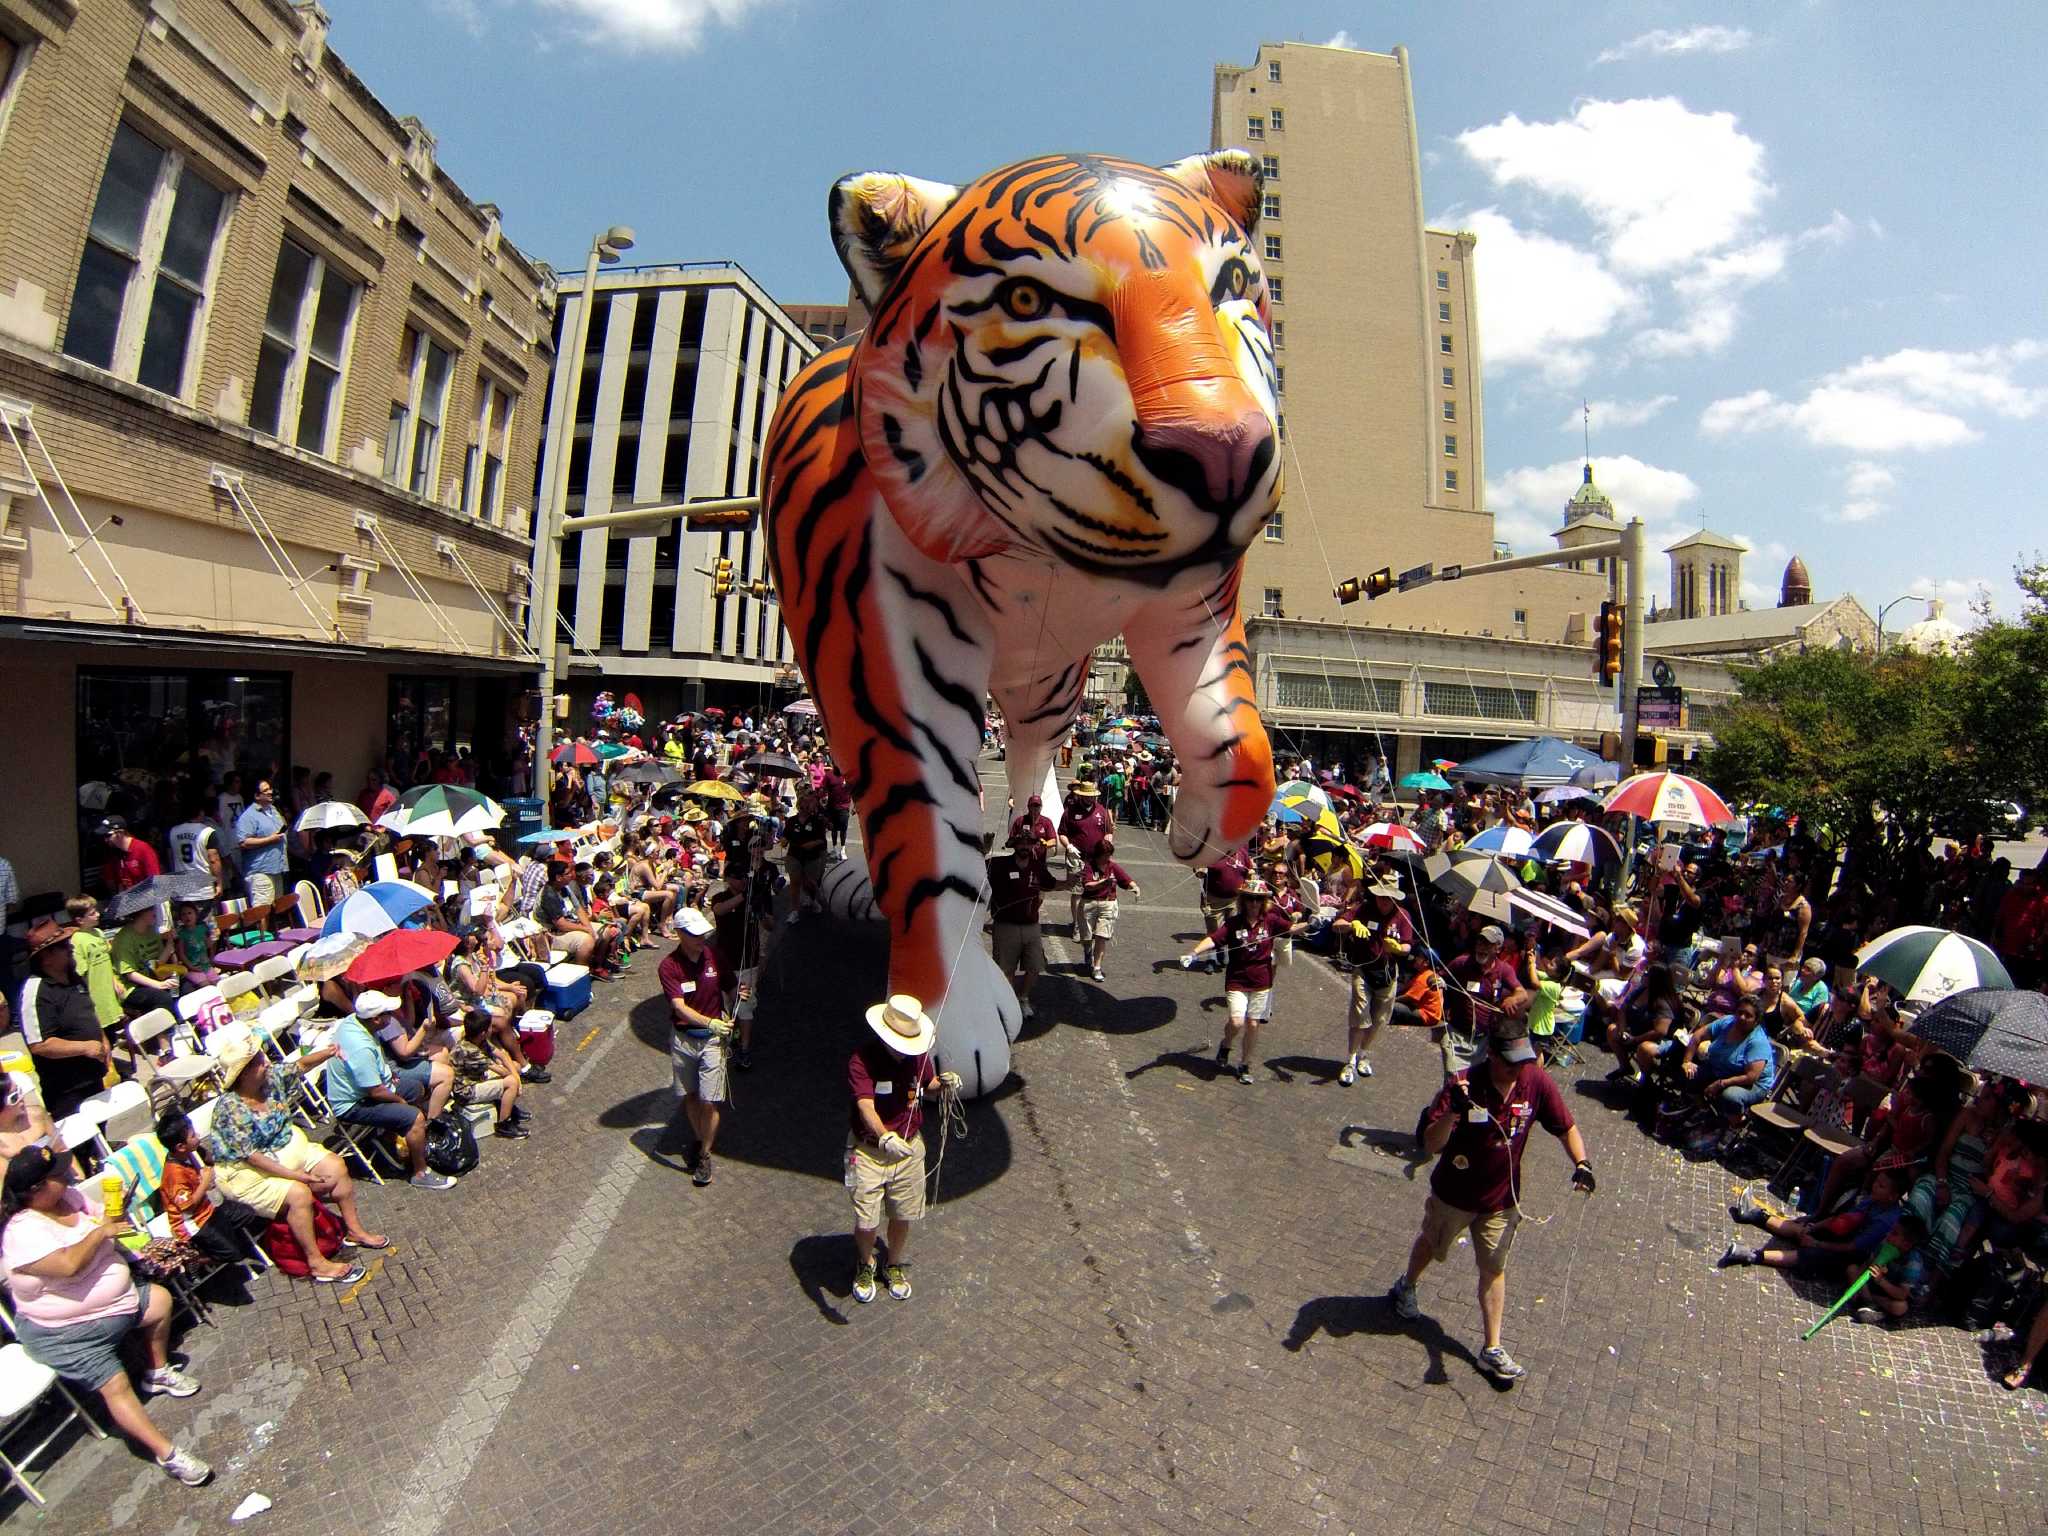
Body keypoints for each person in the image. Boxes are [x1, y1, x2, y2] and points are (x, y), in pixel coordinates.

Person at [1389, 1012, 1595, 1384]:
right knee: (1432, 1246)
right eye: (1512, 1063)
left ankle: (1492, 1349)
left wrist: (1582, 1163)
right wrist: (1453, 1113)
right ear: (1493, 1057)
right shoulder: (1463, 1085)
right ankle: (1406, 1284)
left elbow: (1566, 1126)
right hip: (1454, 1195)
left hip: (1501, 1200)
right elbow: (1430, 1145)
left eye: (1524, 1062)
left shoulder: (1535, 1081)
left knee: (1494, 1268)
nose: (1520, 1070)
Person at [0, 1146, 212, 1485]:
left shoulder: (67, 1198)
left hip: (115, 1305)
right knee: (115, 1384)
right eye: (58, 1175)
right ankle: (168, 1454)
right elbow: (69, 1265)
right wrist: (101, 1231)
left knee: (159, 1301)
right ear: (36, 1190)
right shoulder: (21, 1233)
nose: (68, 1176)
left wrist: (115, 1218)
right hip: (66, 1331)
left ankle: (156, 1373)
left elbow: (104, 1218)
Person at [205, 1033, 386, 1272]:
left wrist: (329, 1052)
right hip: (247, 1172)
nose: (267, 1063)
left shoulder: (270, 1080)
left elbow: (300, 1065)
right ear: (245, 1072)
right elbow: (252, 1156)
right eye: (260, 1061)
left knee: (335, 1167)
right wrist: (296, 1176)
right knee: (298, 1194)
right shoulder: (230, 1109)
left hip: (287, 1149)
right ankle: (317, 1262)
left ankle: (354, 1231)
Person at [846, 994, 961, 1303]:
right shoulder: (862, 1059)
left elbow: (927, 1084)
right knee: (866, 1218)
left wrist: (943, 1084)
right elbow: (865, 1106)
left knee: (903, 1213)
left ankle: (893, 1263)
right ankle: (866, 1262)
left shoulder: (919, 1057)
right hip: (870, 1150)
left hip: (909, 1148)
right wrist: (884, 1136)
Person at [322, 993, 457, 1191]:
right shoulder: (360, 1047)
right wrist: (400, 1102)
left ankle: (402, 1139)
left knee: (417, 1088)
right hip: (354, 1104)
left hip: (373, 1086)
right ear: (376, 1019)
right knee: (415, 1117)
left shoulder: (355, 1021)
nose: (392, 1016)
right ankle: (420, 1173)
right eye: (388, 1013)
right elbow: (375, 1091)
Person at [1179, 879, 1304, 1085]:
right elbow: (1214, 939)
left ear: (1264, 902)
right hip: (1237, 979)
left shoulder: (1271, 921)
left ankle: (1245, 1064)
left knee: (1253, 1024)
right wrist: (1193, 953)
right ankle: (1226, 1044)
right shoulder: (1234, 923)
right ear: (1243, 901)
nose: (1253, 903)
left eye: (1258, 899)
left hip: (1262, 981)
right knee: (1237, 1021)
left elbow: (1291, 929)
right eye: (1249, 899)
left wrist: (1312, 923)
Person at [659, 909, 729, 1187]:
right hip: (684, 1039)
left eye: (703, 934)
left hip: (712, 1042)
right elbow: (678, 1006)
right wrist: (710, 1022)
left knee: (709, 1100)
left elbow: (731, 986)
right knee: (690, 1095)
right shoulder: (668, 966)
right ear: (679, 934)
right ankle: (700, 1141)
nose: (702, 938)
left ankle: (705, 1154)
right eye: (695, 934)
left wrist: (737, 1000)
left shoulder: (714, 956)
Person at [19, 920, 113, 1120]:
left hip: (93, 1076)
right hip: (67, 1090)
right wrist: (85, 1047)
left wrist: (103, 1041)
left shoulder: (75, 978)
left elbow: (89, 1013)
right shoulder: (36, 991)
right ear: (46, 958)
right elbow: (39, 1044)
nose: (70, 947)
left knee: (102, 1135)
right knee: (80, 1146)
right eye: (63, 946)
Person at [1334, 878, 1413, 1085]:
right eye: (1381, 897)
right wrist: (1352, 924)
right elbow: (1337, 925)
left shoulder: (1403, 915)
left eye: (1388, 898)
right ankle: (1350, 1060)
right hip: (1364, 969)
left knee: (1379, 1019)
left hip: (1387, 974)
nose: (1383, 902)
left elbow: (1408, 946)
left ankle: (1364, 1054)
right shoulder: (1365, 909)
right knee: (1360, 1015)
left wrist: (1398, 948)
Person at [1677, 994, 1779, 1151]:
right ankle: (1703, 1109)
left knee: (1730, 1096)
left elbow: (1751, 1077)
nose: (1742, 1017)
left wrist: (1720, 1084)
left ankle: (1736, 1125)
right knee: (1690, 1074)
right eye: (1740, 1012)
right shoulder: (1727, 1022)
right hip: (1720, 1069)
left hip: (1751, 1084)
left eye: (1748, 1015)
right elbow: (1698, 1036)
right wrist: (1687, 1062)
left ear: (1756, 1020)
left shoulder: (1757, 1042)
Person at [987, 846, 1046, 1023]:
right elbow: (976, 872)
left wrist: (1071, 881)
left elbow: (1051, 884)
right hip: (1006, 926)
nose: (1025, 846)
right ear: (1014, 844)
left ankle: (1023, 997)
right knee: (1006, 969)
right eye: (1021, 842)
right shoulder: (997, 864)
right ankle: (1009, 1004)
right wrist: (983, 850)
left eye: (1029, 843)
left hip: (1031, 926)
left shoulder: (1037, 866)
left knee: (1035, 966)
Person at [1075, 837, 1138, 982]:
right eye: (1105, 855)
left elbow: (1126, 880)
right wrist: (1103, 882)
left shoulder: (1112, 866)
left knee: (1101, 936)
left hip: (1108, 903)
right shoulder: (1089, 866)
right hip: (1089, 903)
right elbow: (1088, 885)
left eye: (1109, 855)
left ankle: (1097, 967)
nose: (1107, 858)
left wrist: (1134, 887)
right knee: (1086, 937)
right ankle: (1087, 950)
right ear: (1098, 854)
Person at [234, 779, 289, 906]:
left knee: (277, 907)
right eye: (265, 790)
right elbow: (244, 842)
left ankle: (274, 927)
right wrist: (270, 839)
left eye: (270, 789)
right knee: (262, 910)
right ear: (257, 795)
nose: (270, 792)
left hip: (277, 868)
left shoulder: (273, 810)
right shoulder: (249, 816)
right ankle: (262, 927)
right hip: (260, 871)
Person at [165, 791, 225, 900]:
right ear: (201, 812)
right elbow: (214, 859)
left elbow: (171, 860)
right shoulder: (207, 831)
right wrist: (219, 883)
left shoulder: (173, 832)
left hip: (182, 891)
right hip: (203, 891)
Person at [96, 816, 161, 895]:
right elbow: (120, 883)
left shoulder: (143, 849)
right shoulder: (117, 854)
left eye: (107, 835)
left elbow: (155, 882)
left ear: (119, 833)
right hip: (129, 902)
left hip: (147, 902)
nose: (105, 840)